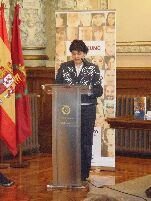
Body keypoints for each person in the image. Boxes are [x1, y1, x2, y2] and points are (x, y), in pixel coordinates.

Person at [55, 39, 103, 181]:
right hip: (69, 109)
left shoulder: (93, 68)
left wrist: (86, 91)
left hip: (87, 110)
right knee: (69, 141)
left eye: (79, 53)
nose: (76, 56)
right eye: (74, 53)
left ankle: (83, 174)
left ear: (84, 53)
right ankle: (69, 171)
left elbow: (98, 90)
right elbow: (57, 86)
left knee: (85, 141)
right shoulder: (64, 67)